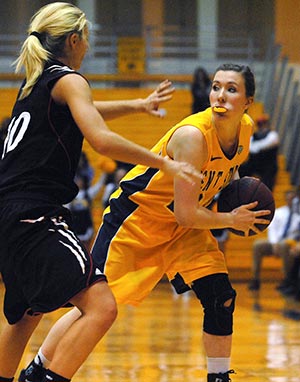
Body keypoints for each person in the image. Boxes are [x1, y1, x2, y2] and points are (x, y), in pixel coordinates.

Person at [20, 63, 272, 382]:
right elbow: (186, 212)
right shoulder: (193, 137)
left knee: (221, 296)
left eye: (231, 90)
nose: (220, 96)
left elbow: (228, 170)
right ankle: (39, 368)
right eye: (216, 87)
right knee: (94, 304)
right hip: (137, 222)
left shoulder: (245, 130)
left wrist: (238, 193)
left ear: (248, 102)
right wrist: (231, 218)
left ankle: (219, 377)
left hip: (183, 231)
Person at [0, 3, 201, 382]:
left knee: (23, 315)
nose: (88, 47)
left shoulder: (36, 84)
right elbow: (101, 139)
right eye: (87, 40)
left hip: (9, 216)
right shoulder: (69, 79)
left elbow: (85, 110)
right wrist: (167, 164)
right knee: (101, 306)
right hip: (36, 215)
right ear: (74, 40)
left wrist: (138, 105)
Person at [248, 189, 300, 291]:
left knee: (284, 245)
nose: (290, 201)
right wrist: (274, 243)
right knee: (258, 245)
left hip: (290, 243)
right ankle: (255, 279)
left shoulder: (298, 214)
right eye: (288, 198)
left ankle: (287, 280)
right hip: (276, 242)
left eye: (293, 199)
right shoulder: (279, 212)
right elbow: (272, 229)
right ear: (286, 199)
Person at [239, 114, 279, 191]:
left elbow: (265, 145)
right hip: (255, 163)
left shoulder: (272, 135)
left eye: (263, 124)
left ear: (267, 124)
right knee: (241, 170)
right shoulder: (254, 136)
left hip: (268, 165)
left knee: (267, 184)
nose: (261, 126)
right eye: (259, 124)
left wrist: (255, 147)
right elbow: (249, 146)